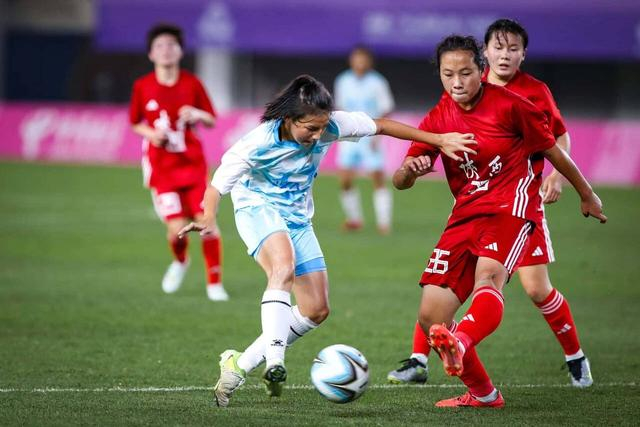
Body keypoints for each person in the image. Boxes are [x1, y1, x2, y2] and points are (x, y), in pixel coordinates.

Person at [178, 74, 478, 407]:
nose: (319, 135)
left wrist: (438, 140)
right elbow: (217, 185)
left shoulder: (332, 124)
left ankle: (240, 363)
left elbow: (381, 125)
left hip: (297, 217)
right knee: (283, 268)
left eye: (322, 128)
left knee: (316, 309)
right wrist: (208, 216)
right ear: (289, 119)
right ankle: (275, 363)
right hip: (257, 208)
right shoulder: (258, 141)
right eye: (311, 128)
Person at [390, 35, 606, 408]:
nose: (457, 82)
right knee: (431, 316)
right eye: (448, 74)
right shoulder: (440, 114)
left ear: (481, 69)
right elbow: (400, 181)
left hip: (511, 207)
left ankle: (463, 342)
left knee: (491, 278)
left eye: (465, 73)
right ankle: (484, 395)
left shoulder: (513, 105)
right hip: (464, 214)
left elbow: (553, 150)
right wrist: (410, 170)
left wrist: (586, 193)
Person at [129, 23, 228, 301]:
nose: (166, 50)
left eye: (172, 45)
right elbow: (135, 122)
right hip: (162, 170)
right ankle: (181, 261)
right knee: (176, 230)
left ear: (181, 51)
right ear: (151, 54)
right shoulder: (142, 86)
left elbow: (211, 119)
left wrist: (197, 113)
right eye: (159, 46)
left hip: (193, 167)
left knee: (207, 224)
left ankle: (214, 284)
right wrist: (152, 134)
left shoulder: (192, 83)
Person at [334, 46, 396, 234]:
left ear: (369, 62)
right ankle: (354, 219)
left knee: (377, 177)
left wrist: (379, 133)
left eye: (362, 59)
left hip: (370, 135)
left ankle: (384, 223)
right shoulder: (343, 81)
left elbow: (386, 107)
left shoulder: (378, 82)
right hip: (349, 135)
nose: (359, 62)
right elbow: (340, 107)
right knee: (345, 179)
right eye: (356, 59)